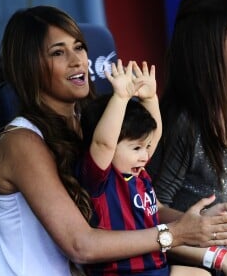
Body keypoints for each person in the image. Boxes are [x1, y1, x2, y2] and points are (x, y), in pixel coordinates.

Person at [0, 5, 227, 276]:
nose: (77, 60)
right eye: (58, 52)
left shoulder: (92, 123)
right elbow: (81, 245)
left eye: (79, 47)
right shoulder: (21, 141)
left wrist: (203, 226)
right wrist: (175, 233)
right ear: (29, 66)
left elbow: (143, 206)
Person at [146, 0, 227, 264]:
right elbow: (146, 208)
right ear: (214, 40)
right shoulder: (183, 121)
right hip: (198, 263)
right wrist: (205, 229)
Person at [79, 59, 211, 275]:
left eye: (146, 147)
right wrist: (120, 98)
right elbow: (104, 143)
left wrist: (149, 98)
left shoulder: (136, 171)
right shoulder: (101, 178)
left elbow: (154, 135)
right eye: (136, 147)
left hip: (157, 268)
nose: (145, 155)